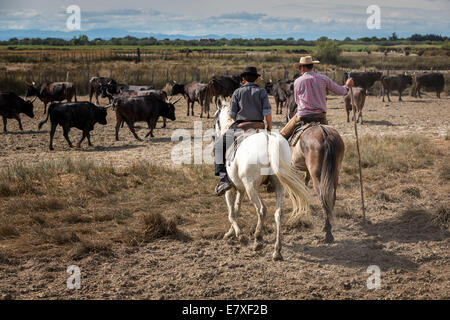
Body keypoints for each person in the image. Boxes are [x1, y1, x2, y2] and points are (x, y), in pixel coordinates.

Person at [214, 66, 272, 196]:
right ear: (257, 79)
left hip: (241, 127)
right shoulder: (262, 92)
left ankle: (223, 179)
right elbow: (267, 113)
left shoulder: (237, 92)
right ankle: (273, 177)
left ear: (243, 79)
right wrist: (269, 127)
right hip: (259, 127)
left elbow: (232, 115)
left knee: (218, 147)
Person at [280, 56, 354, 139]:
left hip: (303, 117)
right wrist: (347, 86)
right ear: (312, 66)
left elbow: (297, 101)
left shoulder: (297, 81)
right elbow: (341, 91)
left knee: (282, 136)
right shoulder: (323, 78)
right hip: (320, 117)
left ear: (303, 68)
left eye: (300, 68)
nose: (300, 70)